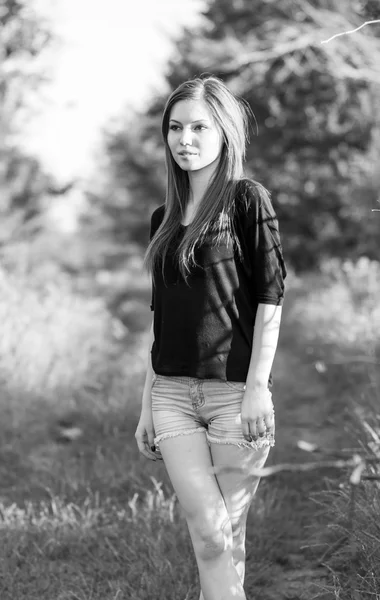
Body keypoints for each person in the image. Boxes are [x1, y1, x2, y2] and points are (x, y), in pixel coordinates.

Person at [135, 74, 287, 600]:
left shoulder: (247, 201)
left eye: (199, 126)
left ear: (224, 131)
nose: (185, 139)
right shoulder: (163, 221)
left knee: (226, 537)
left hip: (235, 397)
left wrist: (257, 389)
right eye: (176, 128)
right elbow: (162, 324)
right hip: (173, 396)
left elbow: (271, 299)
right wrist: (146, 406)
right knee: (209, 534)